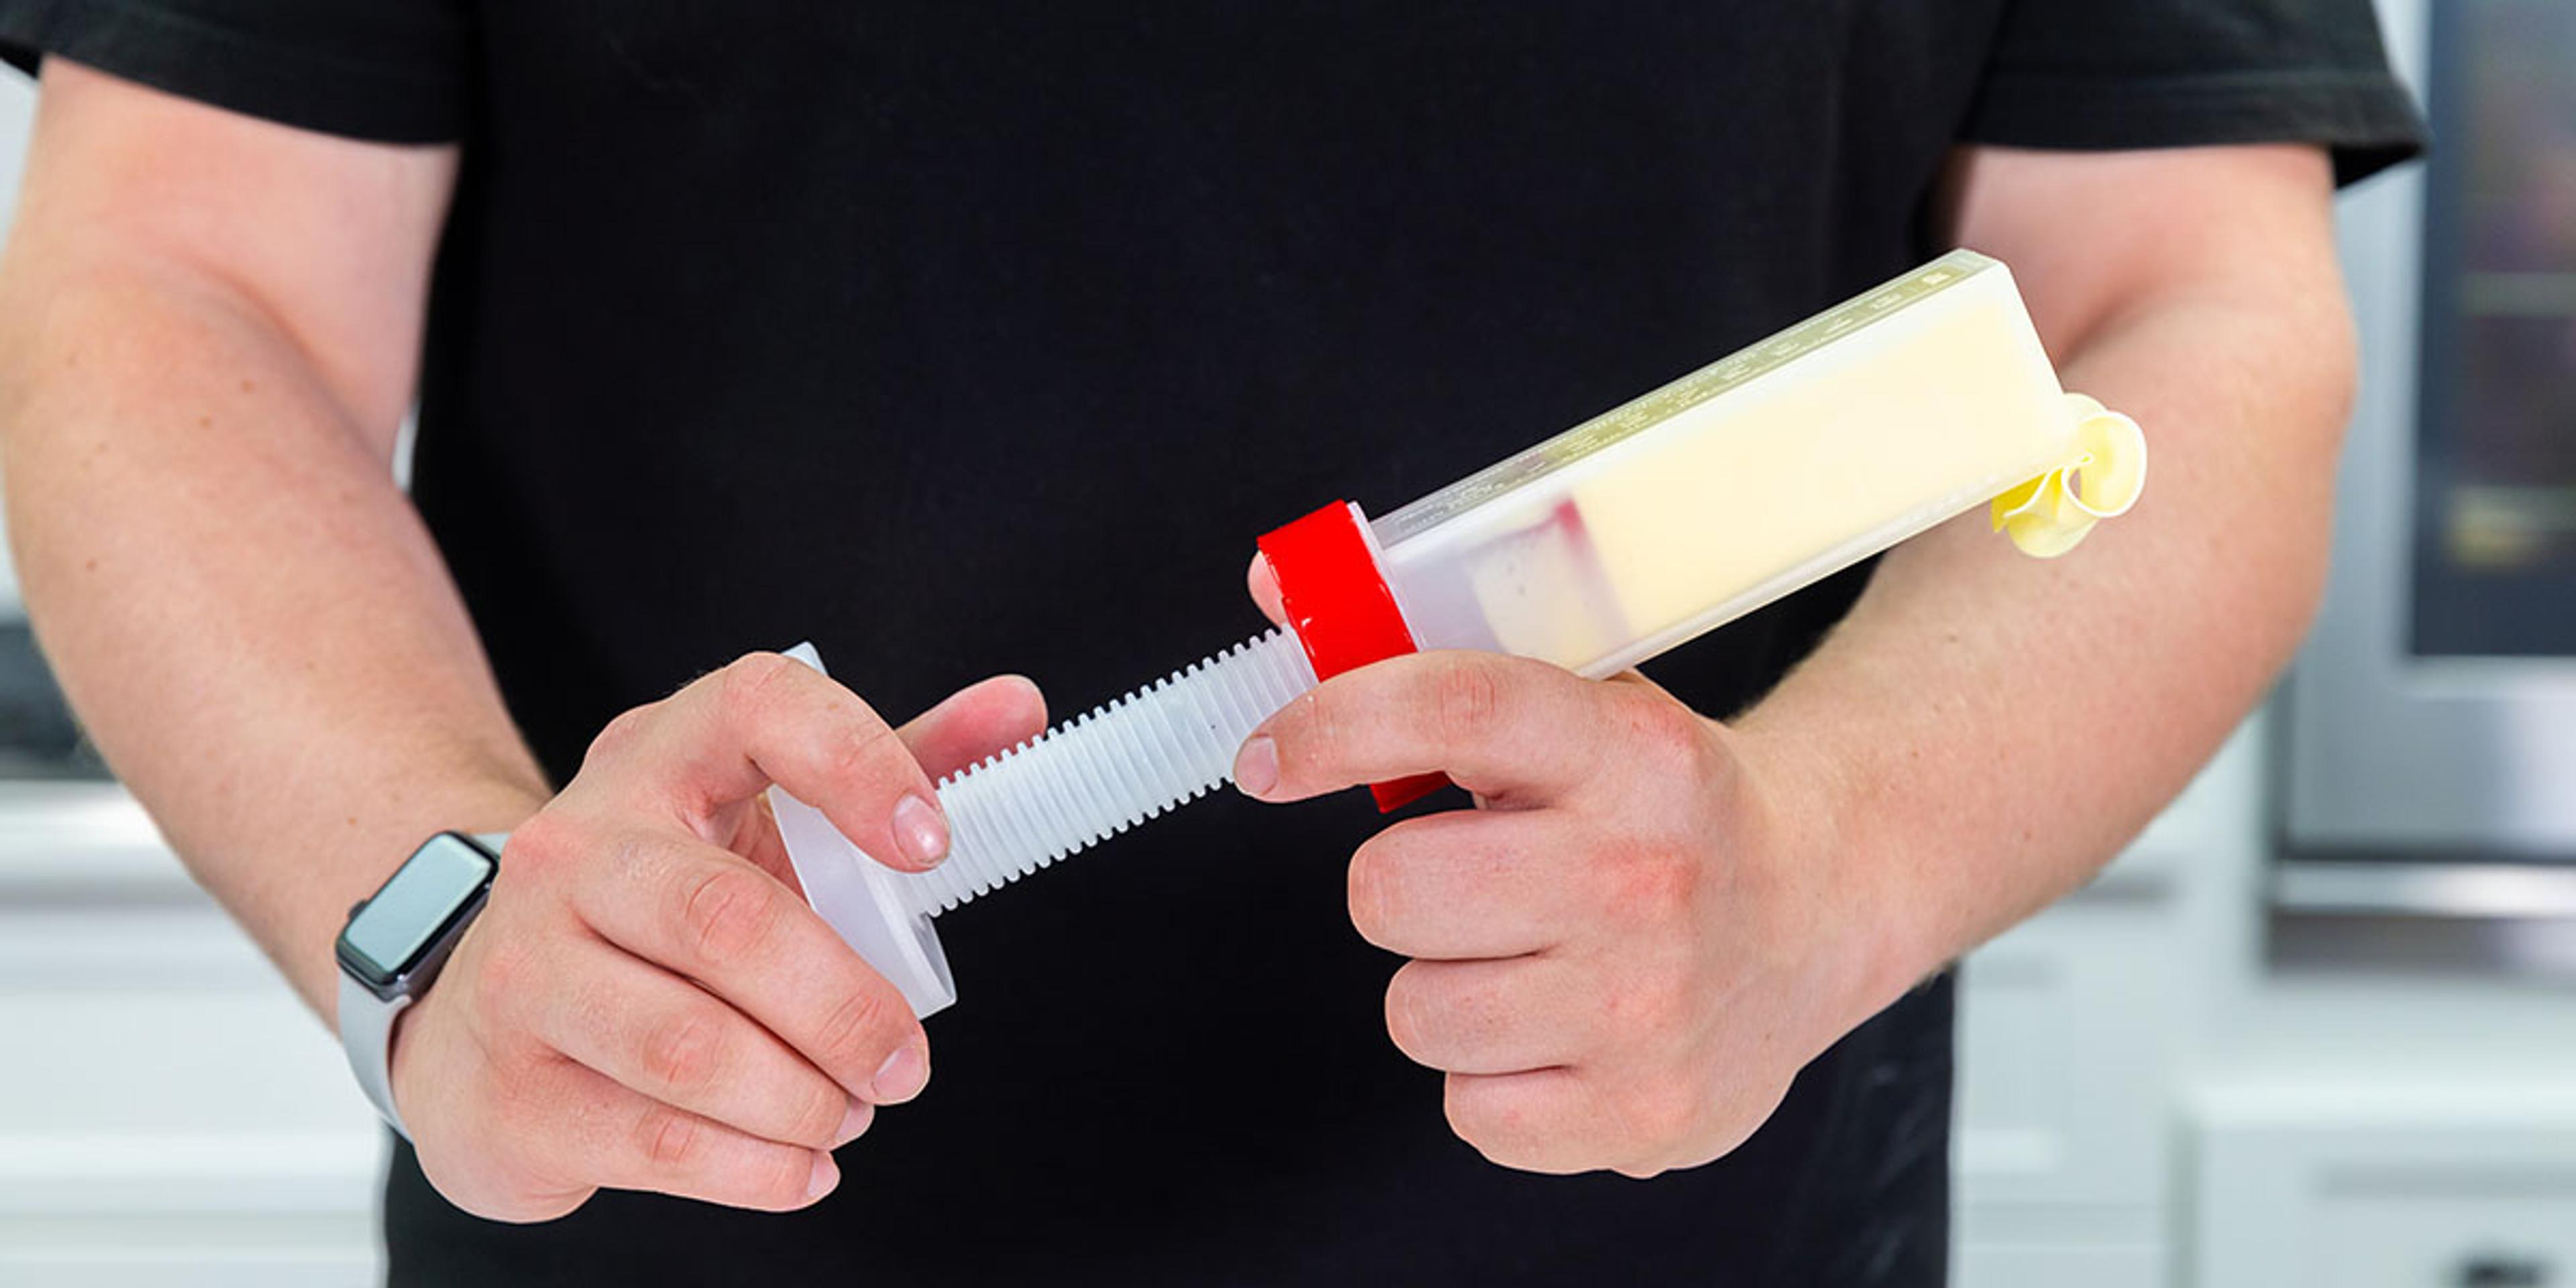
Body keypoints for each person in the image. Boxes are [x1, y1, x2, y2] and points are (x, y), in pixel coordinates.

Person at [0, 3, 2423, 1283]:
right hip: (693, 1241)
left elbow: (2174, 315)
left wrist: (1827, 854)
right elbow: (174, 281)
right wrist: (443, 912)